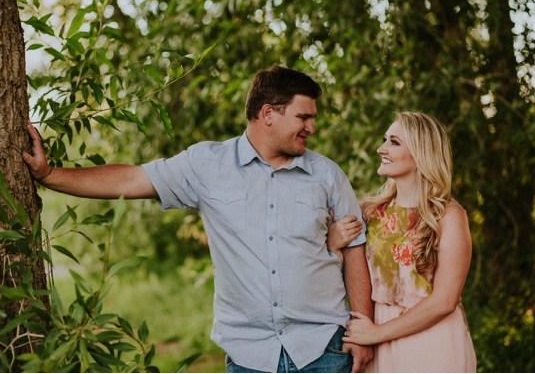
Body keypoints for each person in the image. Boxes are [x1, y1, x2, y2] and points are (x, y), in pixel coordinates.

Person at [22, 66, 374, 373]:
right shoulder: (207, 165)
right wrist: (50, 175)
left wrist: (362, 330)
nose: (311, 127)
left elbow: (355, 253)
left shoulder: (327, 174)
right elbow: (130, 179)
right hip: (249, 354)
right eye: (304, 117)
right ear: (269, 113)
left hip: (324, 348)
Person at [324, 112, 476, 372]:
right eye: (385, 140)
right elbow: (339, 273)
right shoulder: (368, 213)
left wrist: (376, 334)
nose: (381, 148)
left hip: (432, 341)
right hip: (376, 338)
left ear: (420, 153)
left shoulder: (449, 217)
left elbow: (444, 301)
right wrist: (332, 243)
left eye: (394, 142)